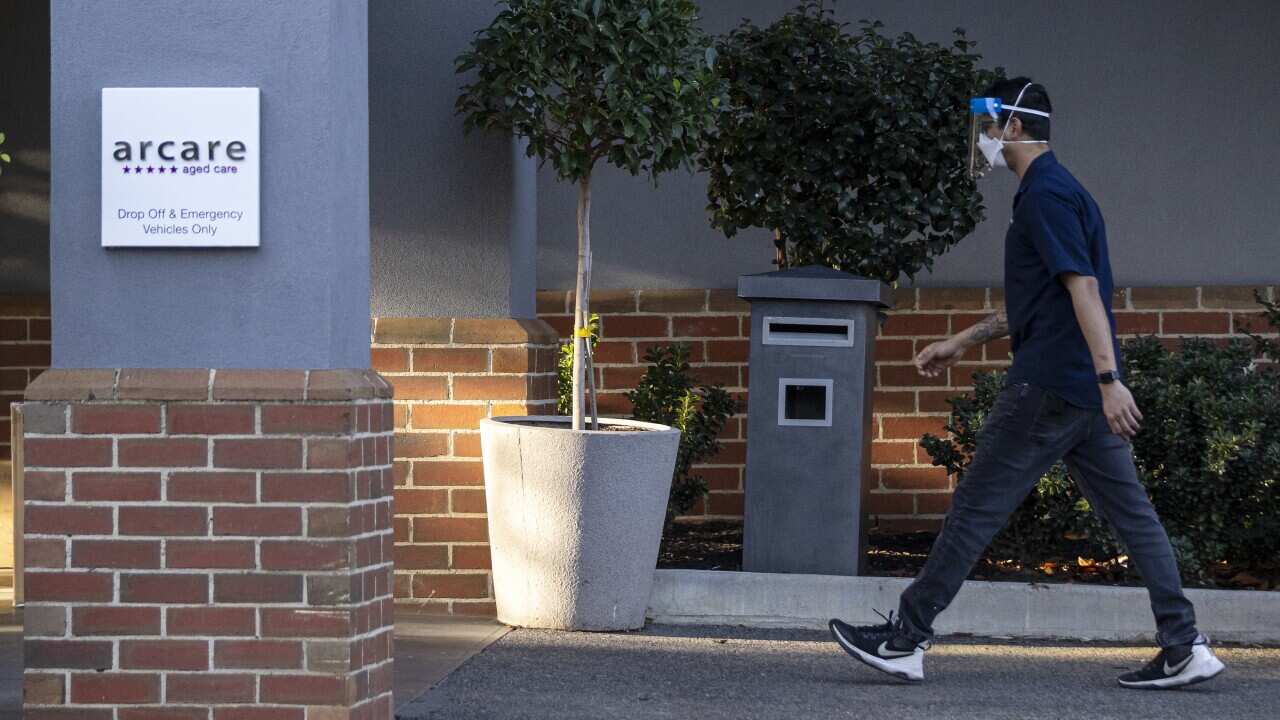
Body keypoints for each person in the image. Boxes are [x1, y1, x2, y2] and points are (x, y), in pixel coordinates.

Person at [827, 78, 1225, 690]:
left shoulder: (1044, 196)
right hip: (1080, 392)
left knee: (973, 510)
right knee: (1135, 519)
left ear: (1014, 127)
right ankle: (1184, 646)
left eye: (988, 125)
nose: (983, 138)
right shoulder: (1062, 191)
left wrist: (1111, 378)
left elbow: (1083, 288)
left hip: (1049, 386)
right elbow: (1044, 298)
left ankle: (904, 640)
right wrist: (963, 341)